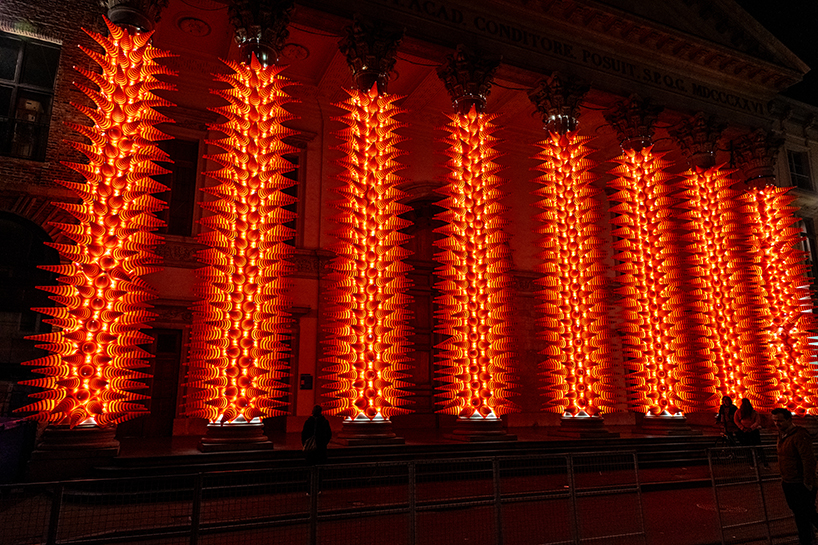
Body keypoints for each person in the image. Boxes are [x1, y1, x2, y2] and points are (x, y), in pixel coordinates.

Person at [771, 408, 818, 545]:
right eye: (774, 421)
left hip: (800, 482)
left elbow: (808, 459)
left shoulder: (799, 435)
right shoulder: (782, 435)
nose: (777, 424)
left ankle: (806, 539)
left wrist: (808, 482)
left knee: (807, 513)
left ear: (789, 420)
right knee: (799, 513)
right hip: (788, 481)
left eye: (780, 421)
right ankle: (805, 539)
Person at [734, 398, 768, 468]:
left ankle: (761, 462)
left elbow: (757, 421)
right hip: (746, 431)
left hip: (750, 431)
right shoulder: (739, 412)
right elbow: (736, 420)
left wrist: (750, 428)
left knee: (756, 447)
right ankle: (754, 462)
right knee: (750, 448)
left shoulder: (753, 412)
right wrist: (743, 428)